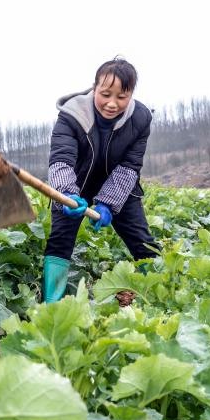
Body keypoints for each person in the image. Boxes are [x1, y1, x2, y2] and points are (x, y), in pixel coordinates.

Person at [42, 57, 159, 303]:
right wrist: (66, 194)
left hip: (120, 185)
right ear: (95, 88)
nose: (112, 104)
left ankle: (162, 293)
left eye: (121, 97)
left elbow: (130, 166)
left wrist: (108, 203)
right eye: (105, 94)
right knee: (60, 239)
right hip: (75, 184)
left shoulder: (140, 119)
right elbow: (61, 160)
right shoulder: (72, 115)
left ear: (131, 95)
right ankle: (52, 305)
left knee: (142, 241)